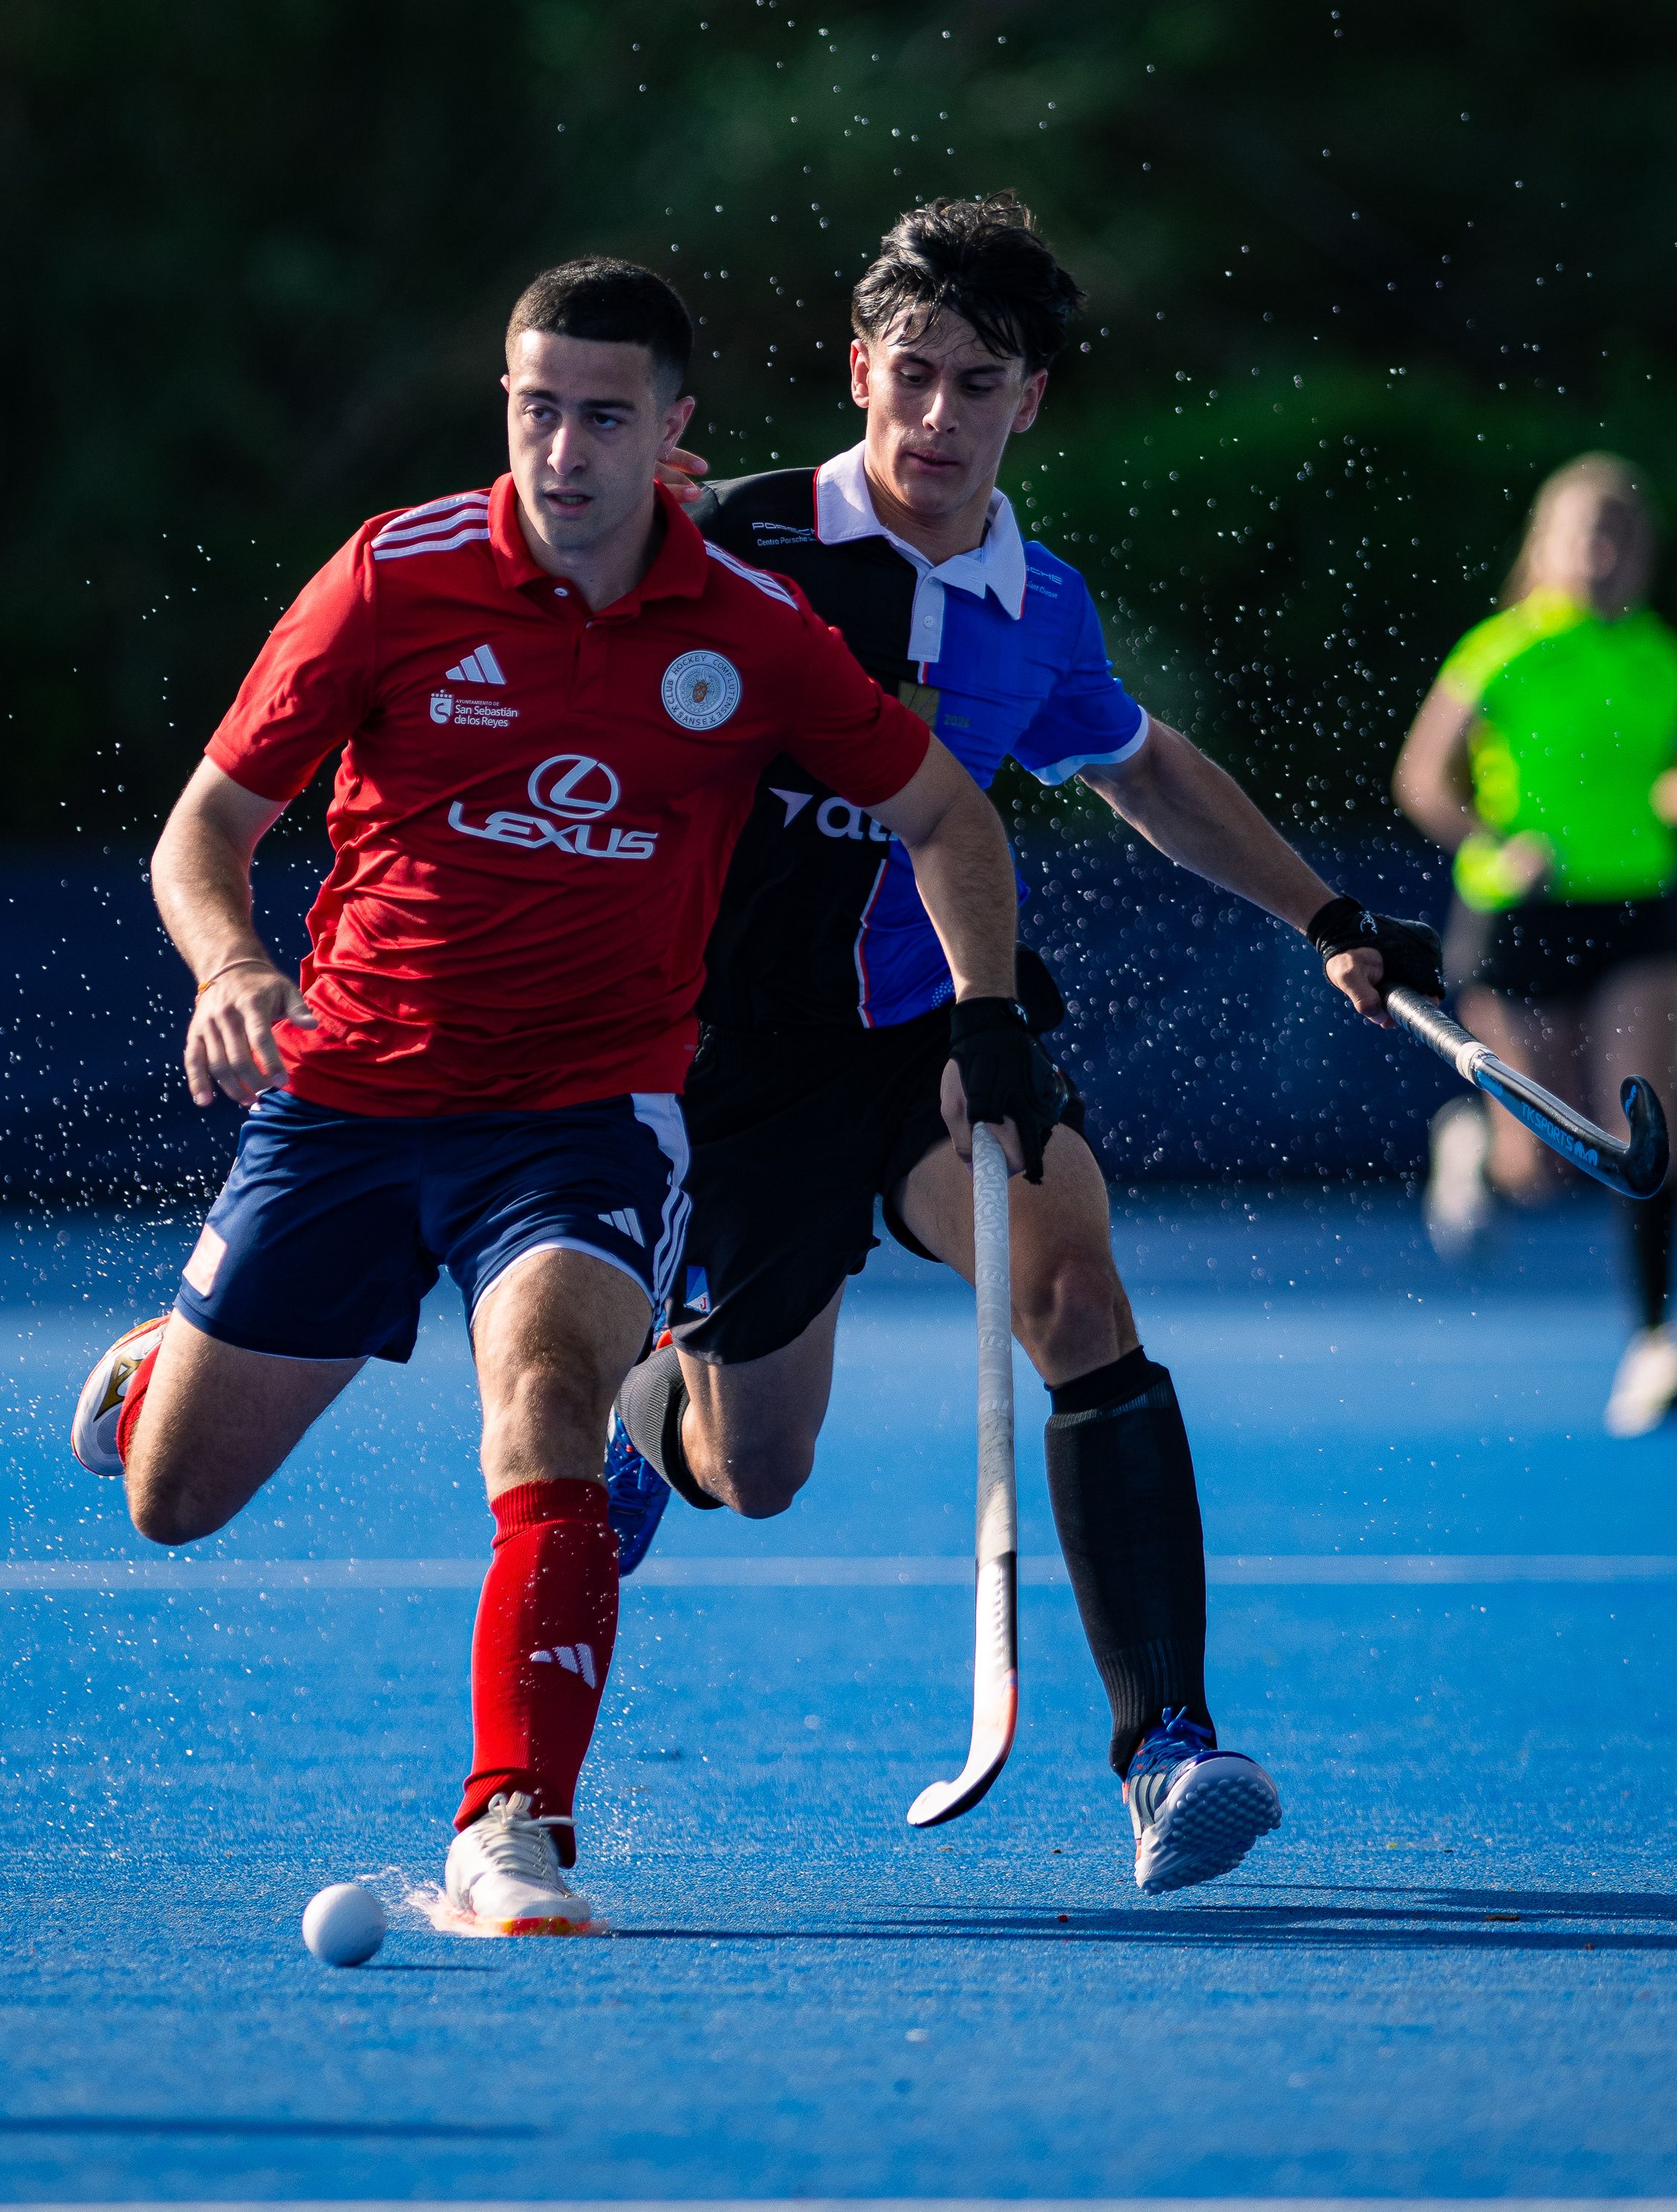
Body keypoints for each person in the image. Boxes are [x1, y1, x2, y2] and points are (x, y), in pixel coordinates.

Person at [67, 256, 1045, 1935]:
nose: (563, 451)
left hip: (588, 1114)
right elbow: (204, 833)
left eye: (603, 416)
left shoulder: (751, 632)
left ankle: (512, 1820)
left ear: (674, 432)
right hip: (352, 1101)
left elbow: (949, 816)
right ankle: (175, 1362)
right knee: (174, 1501)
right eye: (536, 411)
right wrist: (234, 971)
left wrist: (986, 1015)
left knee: (545, 1405)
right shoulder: (390, 579)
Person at [604, 192, 1444, 1894]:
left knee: (1076, 1296)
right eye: (907, 375)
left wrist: (1328, 919)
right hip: (734, 1068)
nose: (933, 418)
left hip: (942, 1032)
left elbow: (1140, 768)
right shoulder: (729, 546)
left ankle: (1169, 1749)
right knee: (754, 1470)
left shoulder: (1034, 602)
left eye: (974, 385)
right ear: (856, 369)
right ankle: (647, 1422)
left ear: (1028, 399)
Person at [1395, 453, 1677, 1436]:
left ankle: (1650, 1340)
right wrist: (1491, 844)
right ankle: (1473, 1140)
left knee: (1647, 1130)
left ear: (1637, 554)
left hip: (1635, 911)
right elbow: (1423, 780)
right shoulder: (1501, 651)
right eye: (1580, 538)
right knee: (1541, 1167)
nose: (1598, 558)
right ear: (1546, 548)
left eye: (1616, 539)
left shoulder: (1656, 655)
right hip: (1519, 920)